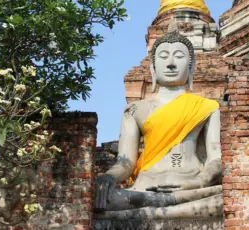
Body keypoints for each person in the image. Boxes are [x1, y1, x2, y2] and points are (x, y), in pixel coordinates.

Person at [95, 30, 222, 220]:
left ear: (191, 66)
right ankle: (166, 209)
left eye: (179, 56)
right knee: (104, 200)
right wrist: (108, 177)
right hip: (144, 188)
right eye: (163, 57)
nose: (171, 63)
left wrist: (199, 181)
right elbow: (125, 163)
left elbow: (215, 158)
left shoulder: (208, 107)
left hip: (192, 188)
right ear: (153, 68)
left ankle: (154, 210)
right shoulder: (134, 110)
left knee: (224, 200)